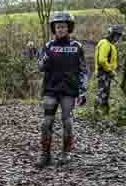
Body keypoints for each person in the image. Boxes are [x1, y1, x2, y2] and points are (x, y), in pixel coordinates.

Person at [35, 11, 88, 168]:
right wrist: (45, 59)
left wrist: (83, 90)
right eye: (58, 27)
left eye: (63, 27)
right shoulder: (48, 46)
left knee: (68, 122)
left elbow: (84, 70)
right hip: (51, 89)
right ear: (54, 28)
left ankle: (66, 153)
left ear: (69, 28)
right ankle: (45, 155)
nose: (60, 30)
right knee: (46, 123)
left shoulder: (77, 47)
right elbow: (40, 68)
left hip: (69, 91)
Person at [95, 25, 123, 115]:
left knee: (105, 92)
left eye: (119, 36)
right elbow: (102, 60)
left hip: (106, 72)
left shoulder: (110, 45)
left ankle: (104, 112)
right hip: (104, 72)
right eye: (116, 36)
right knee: (102, 92)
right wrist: (110, 70)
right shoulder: (105, 44)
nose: (117, 38)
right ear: (112, 34)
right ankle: (98, 112)